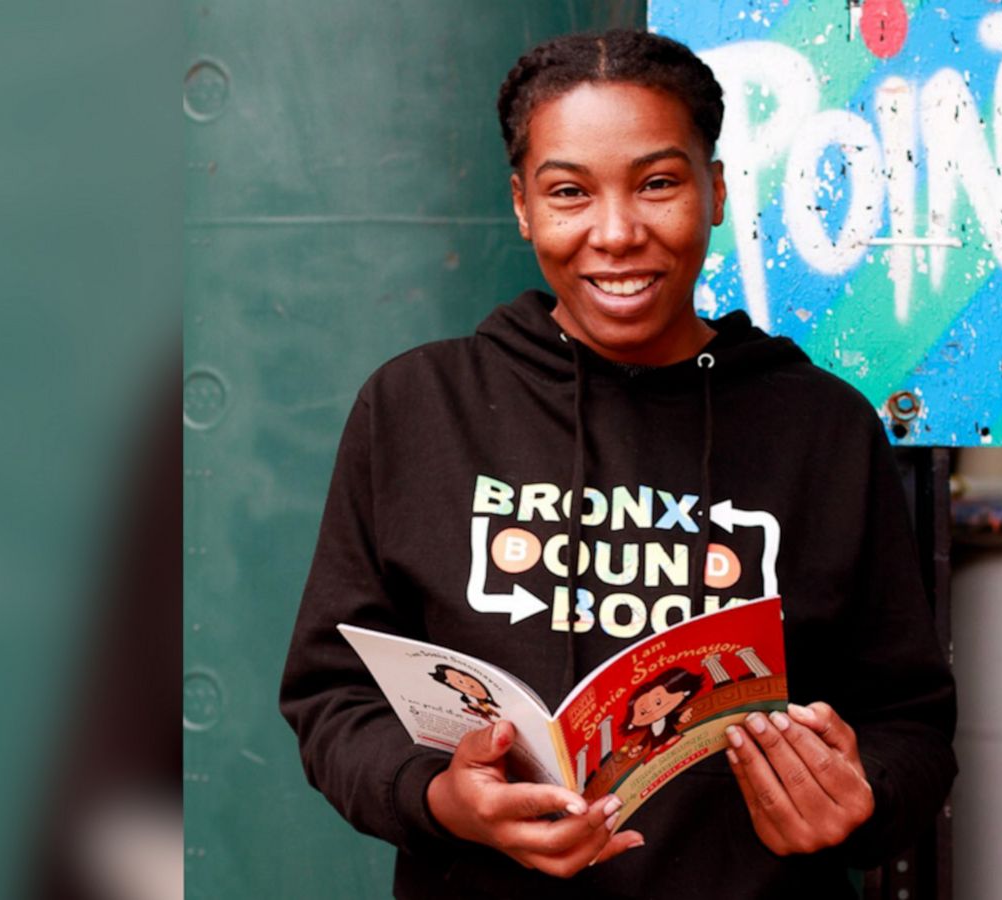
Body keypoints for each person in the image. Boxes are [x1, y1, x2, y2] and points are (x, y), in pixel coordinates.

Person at [280, 28, 956, 899]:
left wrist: (863, 799)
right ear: (522, 206)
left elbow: (913, 724)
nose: (616, 233)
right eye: (569, 192)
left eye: (659, 183)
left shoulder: (823, 429)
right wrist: (441, 799)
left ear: (715, 191)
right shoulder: (417, 409)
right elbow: (332, 695)